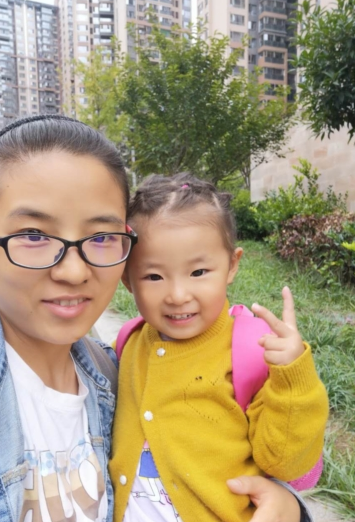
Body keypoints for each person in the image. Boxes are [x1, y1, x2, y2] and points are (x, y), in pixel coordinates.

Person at [0, 115, 314, 522]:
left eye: (101, 237)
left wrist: (288, 507)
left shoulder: (115, 374)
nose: (73, 271)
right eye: (34, 236)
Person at [110, 172, 329, 522]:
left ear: (232, 265)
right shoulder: (128, 343)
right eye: (153, 276)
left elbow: (286, 463)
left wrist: (293, 380)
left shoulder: (254, 351)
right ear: (127, 279)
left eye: (198, 272)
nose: (178, 295)